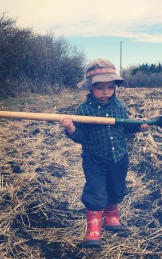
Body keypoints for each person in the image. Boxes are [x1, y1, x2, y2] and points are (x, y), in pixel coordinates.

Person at [60, 58, 149, 248]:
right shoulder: (83, 110)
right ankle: (93, 230)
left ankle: (111, 217)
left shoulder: (119, 106)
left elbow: (125, 128)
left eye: (110, 87)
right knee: (96, 190)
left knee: (116, 188)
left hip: (119, 158)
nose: (106, 92)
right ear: (90, 88)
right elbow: (81, 137)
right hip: (95, 159)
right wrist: (70, 128)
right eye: (100, 88)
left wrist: (137, 126)